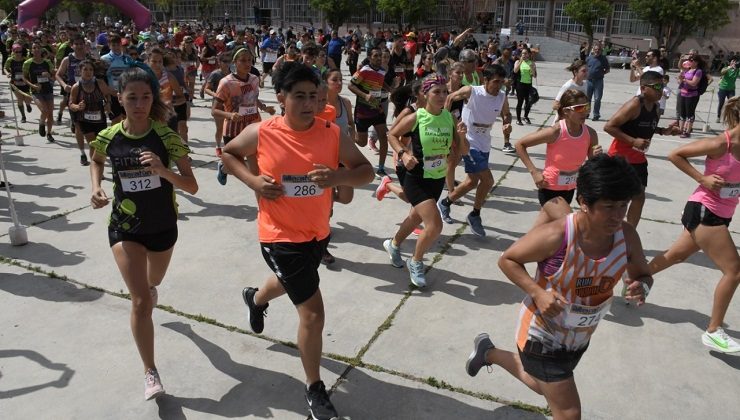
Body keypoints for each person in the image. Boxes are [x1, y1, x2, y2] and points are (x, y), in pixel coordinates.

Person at [222, 61, 373, 420]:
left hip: (317, 234)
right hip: (278, 235)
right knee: (313, 313)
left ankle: (255, 299)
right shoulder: (263, 132)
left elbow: (365, 171)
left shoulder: (332, 133)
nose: (308, 103)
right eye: (299, 96)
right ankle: (314, 388)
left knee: (288, 284)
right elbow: (228, 154)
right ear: (281, 98)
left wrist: (337, 177)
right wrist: (254, 182)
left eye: (314, 96)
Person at [466, 154, 650, 420]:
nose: (618, 215)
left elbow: (644, 274)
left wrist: (641, 286)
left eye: (623, 205)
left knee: (542, 387)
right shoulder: (558, 235)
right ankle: (489, 353)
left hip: (579, 336)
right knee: (569, 412)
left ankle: (489, 353)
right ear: (584, 202)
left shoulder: (627, 236)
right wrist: (538, 293)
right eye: (609, 206)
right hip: (541, 335)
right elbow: (508, 259)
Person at [89, 66, 198, 401]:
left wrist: (163, 170)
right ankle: (150, 371)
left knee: (152, 285)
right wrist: (95, 187)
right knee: (139, 301)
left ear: (154, 99)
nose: (139, 103)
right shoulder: (109, 136)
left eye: (145, 97)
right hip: (125, 226)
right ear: (119, 98)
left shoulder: (166, 137)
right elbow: (96, 159)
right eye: (132, 97)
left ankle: (150, 289)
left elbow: (191, 186)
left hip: (163, 226)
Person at [648, 96, 740, 353]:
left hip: (723, 213)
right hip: (703, 210)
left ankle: (635, 277)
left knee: (675, 256)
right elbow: (675, 154)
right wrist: (703, 177)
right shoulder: (722, 143)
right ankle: (714, 331)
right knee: (734, 271)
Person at [384, 74, 467, 287]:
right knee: (434, 225)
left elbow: (462, 150)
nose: (441, 96)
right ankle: (416, 261)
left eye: (444, 92)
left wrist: (462, 136)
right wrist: (403, 154)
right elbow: (391, 135)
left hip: (436, 178)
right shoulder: (417, 117)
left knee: (414, 217)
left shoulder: (449, 118)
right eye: (436, 92)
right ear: (425, 94)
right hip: (416, 177)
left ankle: (393, 245)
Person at [437, 64, 512, 237]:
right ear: (485, 80)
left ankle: (445, 203)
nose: (498, 85)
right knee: (488, 181)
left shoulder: (502, 96)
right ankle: (475, 214)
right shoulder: (472, 91)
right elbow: (449, 99)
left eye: (501, 82)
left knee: (471, 182)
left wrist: (507, 122)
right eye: (495, 81)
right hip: (468, 139)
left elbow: (506, 113)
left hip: (485, 139)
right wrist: (447, 122)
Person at [605, 71, 682, 227]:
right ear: (643, 88)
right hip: (620, 158)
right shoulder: (634, 104)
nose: (661, 90)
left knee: (639, 197)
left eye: (663, 86)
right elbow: (609, 126)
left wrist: (664, 131)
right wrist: (633, 141)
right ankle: (606, 228)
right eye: (657, 86)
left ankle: (630, 232)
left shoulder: (656, 107)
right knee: (616, 199)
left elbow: (647, 127)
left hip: (639, 159)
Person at [516, 89, 601, 223]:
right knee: (570, 224)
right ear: (566, 111)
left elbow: (592, 163)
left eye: (587, 107)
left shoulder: (591, 134)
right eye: (579, 108)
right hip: (549, 189)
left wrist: (596, 156)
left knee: (543, 232)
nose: (585, 111)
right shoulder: (555, 132)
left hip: (570, 189)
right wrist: (534, 172)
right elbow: (520, 145)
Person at [212, 47, 275, 185]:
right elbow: (214, 111)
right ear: (234, 62)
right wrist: (229, 114)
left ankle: (260, 201)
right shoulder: (226, 83)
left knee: (255, 173)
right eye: (243, 60)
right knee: (237, 169)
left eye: (249, 60)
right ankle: (223, 168)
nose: (247, 64)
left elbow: (253, 98)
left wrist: (264, 108)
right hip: (234, 131)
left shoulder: (254, 79)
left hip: (253, 128)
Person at [349, 47, 391, 177]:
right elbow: (351, 85)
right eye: (375, 56)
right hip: (363, 111)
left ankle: (381, 168)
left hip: (376, 109)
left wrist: (391, 89)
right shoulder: (364, 70)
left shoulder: (383, 71)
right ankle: (350, 132)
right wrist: (364, 95)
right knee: (361, 142)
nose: (378, 58)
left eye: (380, 55)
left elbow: (380, 83)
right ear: (369, 57)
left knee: (384, 138)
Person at [68, 59, 111, 166]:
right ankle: (96, 168)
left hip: (100, 119)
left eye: (91, 70)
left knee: (101, 146)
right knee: (93, 145)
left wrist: (108, 103)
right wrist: (78, 106)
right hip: (84, 120)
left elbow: (108, 94)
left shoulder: (100, 83)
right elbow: (71, 104)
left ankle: (96, 163)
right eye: (85, 69)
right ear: (80, 71)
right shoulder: (76, 87)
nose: (88, 72)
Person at [23, 42, 56, 142]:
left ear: (41, 50)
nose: (36, 49)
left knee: (50, 114)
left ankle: (49, 133)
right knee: (44, 111)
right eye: (34, 48)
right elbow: (24, 78)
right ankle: (41, 124)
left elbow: (54, 76)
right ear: (31, 50)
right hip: (36, 91)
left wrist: (49, 76)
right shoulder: (27, 63)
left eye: (38, 47)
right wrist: (33, 86)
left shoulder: (47, 62)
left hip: (48, 90)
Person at [204, 54, 232, 157]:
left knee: (229, 128)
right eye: (224, 62)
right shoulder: (215, 74)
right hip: (218, 105)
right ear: (219, 62)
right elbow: (207, 88)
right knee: (220, 128)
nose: (227, 64)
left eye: (229, 61)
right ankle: (218, 146)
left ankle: (228, 148)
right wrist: (216, 95)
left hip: (229, 104)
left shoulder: (231, 74)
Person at [100, 35, 130, 125]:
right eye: (113, 45)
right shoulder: (104, 59)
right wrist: (107, 94)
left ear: (121, 45)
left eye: (118, 45)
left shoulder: (127, 58)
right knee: (115, 120)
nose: (116, 47)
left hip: (126, 93)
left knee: (127, 118)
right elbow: (101, 79)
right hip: (112, 94)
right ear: (109, 45)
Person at [676, 54, 706, 138]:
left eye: (691, 60)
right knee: (682, 113)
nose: (689, 61)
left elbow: (694, 83)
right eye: (689, 60)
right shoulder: (687, 70)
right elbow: (680, 82)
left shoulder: (698, 71)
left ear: (696, 62)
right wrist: (680, 79)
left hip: (692, 95)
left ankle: (687, 131)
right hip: (683, 93)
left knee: (690, 113)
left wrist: (685, 80)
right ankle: (681, 130)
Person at [4, 44, 34, 123]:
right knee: (20, 99)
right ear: (13, 52)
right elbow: (5, 68)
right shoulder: (10, 60)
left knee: (28, 99)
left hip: (25, 83)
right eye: (16, 52)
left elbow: (31, 69)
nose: (18, 53)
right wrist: (7, 73)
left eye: (20, 52)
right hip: (15, 83)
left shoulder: (25, 60)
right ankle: (23, 116)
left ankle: (27, 104)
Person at [585, 43, 609, 121]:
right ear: (593, 50)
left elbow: (607, 69)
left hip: (598, 81)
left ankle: (596, 114)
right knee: (587, 98)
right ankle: (586, 113)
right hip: (589, 81)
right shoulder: (589, 58)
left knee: (597, 98)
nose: (597, 51)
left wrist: (601, 73)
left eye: (599, 50)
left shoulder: (603, 59)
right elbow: (585, 68)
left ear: (601, 50)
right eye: (596, 49)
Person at [513, 47, 536, 125]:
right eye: (523, 53)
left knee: (528, 102)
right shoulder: (517, 61)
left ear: (529, 54)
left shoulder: (532, 63)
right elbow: (515, 70)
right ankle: (518, 119)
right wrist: (520, 62)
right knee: (520, 102)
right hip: (520, 84)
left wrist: (532, 69)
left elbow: (534, 75)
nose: (524, 55)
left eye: (526, 53)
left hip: (528, 85)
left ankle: (525, 116)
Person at [716, 57, 738, 123]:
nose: (734, 63)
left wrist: (736, 69)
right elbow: (722, 72)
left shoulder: (737, 70)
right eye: (733, 61)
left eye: (735, 62)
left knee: (732, 104)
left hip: (731, 89)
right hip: (723, 88)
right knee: (721, 103)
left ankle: (730, 118)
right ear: (730, 62)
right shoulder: (726, 68)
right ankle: (718, 116)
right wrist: (729, 68)